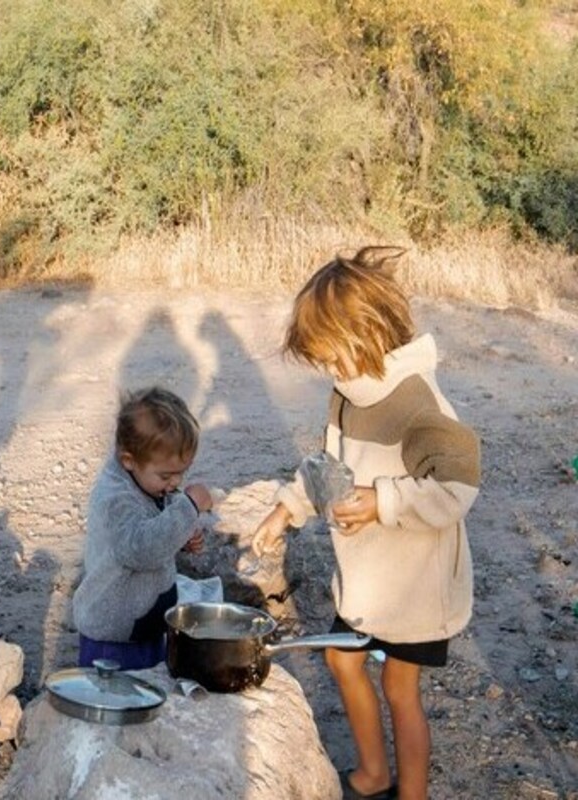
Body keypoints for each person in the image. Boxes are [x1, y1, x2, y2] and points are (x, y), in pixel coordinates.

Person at [252, 247, 480, 800]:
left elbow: (458, 486)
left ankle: (413, 792)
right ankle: (375, 772)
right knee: (341, 658)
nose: (330, 372)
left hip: (416, 584)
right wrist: (288, 508)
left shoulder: (417, 401)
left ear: (367, 335)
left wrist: (382, 502)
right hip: (367, 581)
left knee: (401, 687)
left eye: (333, 358)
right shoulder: (347, 398)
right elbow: (327, 469)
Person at [71, 387, 216, 670]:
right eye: (166, 475)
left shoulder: (141, 478)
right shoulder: (115, 499)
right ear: (129, 460)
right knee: (118, 704)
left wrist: (180, 535)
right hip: (113, 638)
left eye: (181, 474)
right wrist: (188, 507)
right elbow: (141, 548)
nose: (175, 483)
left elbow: (156, 514)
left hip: (143, 624)